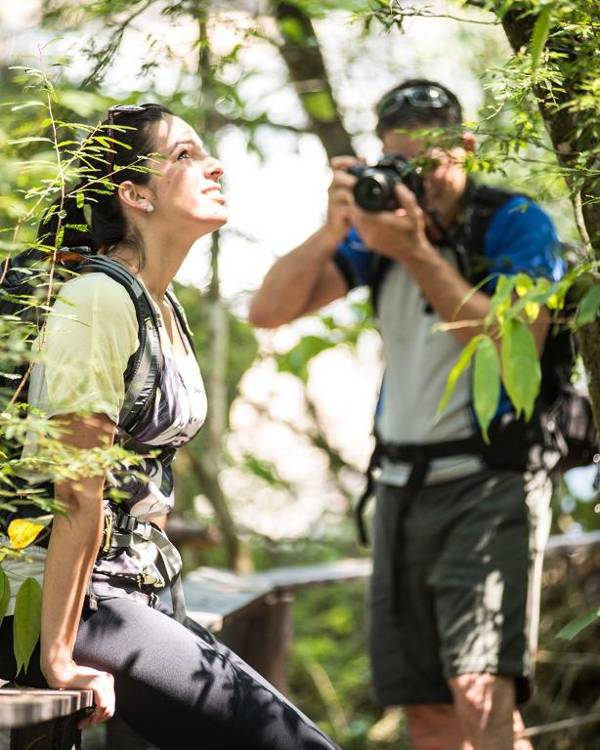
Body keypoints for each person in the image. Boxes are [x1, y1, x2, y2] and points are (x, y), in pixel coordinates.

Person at [0, 103, 341, 750]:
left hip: (138, 586)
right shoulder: (98, 300)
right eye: (183, 155)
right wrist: (60, 654)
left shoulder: (162, 304)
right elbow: (77, 490)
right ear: (134, 194)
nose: (213, 164)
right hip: (75, 598)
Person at [249, 80, 565, 750]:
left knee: (481, 694)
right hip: (399, 488)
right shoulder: (379, 235)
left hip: (488, 484)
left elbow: (519, 349)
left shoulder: (512, 222)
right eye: (401, 163)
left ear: (468, 149)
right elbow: (267, 311)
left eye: (431, 163)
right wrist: (332, 230)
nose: (417, 180)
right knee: (424, 709)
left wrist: (418, 253)